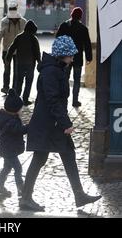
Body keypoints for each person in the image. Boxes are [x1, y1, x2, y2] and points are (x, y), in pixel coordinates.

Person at [20, 36, 101, 212]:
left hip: (53, 124)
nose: (72, 58)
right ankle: (25, 199)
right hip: (47, 125)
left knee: (68, 155)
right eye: (70, 55)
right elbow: (53, 100)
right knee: (39, 159)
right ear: (61, 55)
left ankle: (78, 195)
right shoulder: (51, 72)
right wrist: (66, 123)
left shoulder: (58, 69)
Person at [56, 6, 92, 107]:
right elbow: (87, 44)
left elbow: (57, 39)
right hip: (78, 58)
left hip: (65, 58)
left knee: (64, 79)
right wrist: (89, 58)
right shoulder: (83, 28)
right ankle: (75, 101)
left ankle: (63, 99)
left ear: (71, 14)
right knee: (77, 80)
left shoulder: (64, 25)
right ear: (80, 17)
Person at [0, 89, 28, 197]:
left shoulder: (7, 118)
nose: (21, 111)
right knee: (18, 168)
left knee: (7, 168)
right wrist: (29, 127)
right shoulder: (11, 121)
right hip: (9, 150)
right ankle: (21, 188)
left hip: (7, 149)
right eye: (20, 109)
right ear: (15, 110)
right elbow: (19, 130)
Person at [0, 1, 27, 94]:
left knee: (15, 71)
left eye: (14, 9)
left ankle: (13, 88)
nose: (12, 11)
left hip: (19, 51)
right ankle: (6, 87)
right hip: (7, 50)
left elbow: (26, 36)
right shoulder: (4, 21)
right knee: (7, 70)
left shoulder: (23, 21)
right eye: (11, 9)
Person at [6, 20, 41, 105]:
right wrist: (39, 62)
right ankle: (25, 99)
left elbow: (11, 48)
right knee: (28, 82)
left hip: (20, 62)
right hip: (30, 64)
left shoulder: (19, 37)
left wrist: (8, 58)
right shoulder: (33, 38)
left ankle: (17, 98)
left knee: (19, 81)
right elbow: (37, 52)